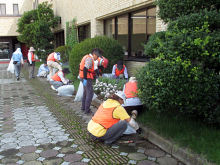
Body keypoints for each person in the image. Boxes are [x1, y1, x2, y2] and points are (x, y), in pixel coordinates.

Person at [79, 48, 103, 115]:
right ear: (94, 54)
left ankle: (83, 107)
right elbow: (85, 68)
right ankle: (87, 110)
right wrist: (85, 79)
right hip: (86, 77)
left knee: (85, 92)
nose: (97, 58)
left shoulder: (87, 57)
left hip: (82, 76)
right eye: (97, 56)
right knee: (90, 93)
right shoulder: (89, 59)